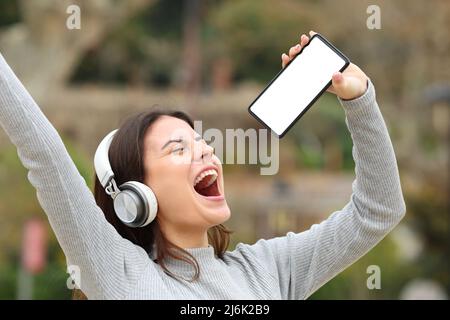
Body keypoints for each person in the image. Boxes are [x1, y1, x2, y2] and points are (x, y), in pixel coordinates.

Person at [0, 31, 406, 299]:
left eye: (202, 142)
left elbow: (378, 211)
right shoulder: (120, 274)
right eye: (178, 148)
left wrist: (359, 99)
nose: (206, 152)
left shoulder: (267, 269)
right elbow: (45, 155)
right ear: (136, 197)